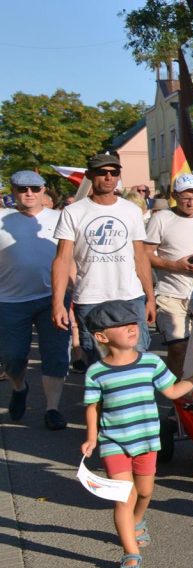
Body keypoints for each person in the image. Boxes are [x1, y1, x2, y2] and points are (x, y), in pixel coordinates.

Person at [80, 299, 193, 568]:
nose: (131, 328)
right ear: (101, 337)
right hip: (114, 442)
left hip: (147, 441)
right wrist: (91, 438)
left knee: (145, 491)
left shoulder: (150, 362)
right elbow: (92, 407)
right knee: (124, 497)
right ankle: (130, 553)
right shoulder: (96, 372)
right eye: (121, 325)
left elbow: (173, 392)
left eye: (132, 323)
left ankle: (136, 521)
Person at [51, 151, 155, 367]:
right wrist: (58, 303)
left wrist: (150, 298)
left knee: (137, 360)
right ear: (90, 175)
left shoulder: (131, 210)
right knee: (100, 363)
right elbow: (62, 260)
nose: (108, 177)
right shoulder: (73, 212)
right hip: (90, 297)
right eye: (102, 172)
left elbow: (140, 257)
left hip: (130, 296)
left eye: (114, 172)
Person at [0, 171, 72, 430]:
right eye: (22, 189)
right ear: (13, 191)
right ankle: (19, 387)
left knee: (56, 355)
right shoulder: (2, 219)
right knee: (12, 357)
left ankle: (52, 408)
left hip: (52, 298)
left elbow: (71, 256)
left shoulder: (61, 218)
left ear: (43, 190)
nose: (28, 193)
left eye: (34, 188)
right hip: (10, 301)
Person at [144, 174, 193, 378]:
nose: (191, 202)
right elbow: (145, 255)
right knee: (178, 348)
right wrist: (175, 265)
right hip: (171, 293)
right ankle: (178, 394)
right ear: (174, 196)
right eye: (185, 197)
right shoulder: (161, 218)